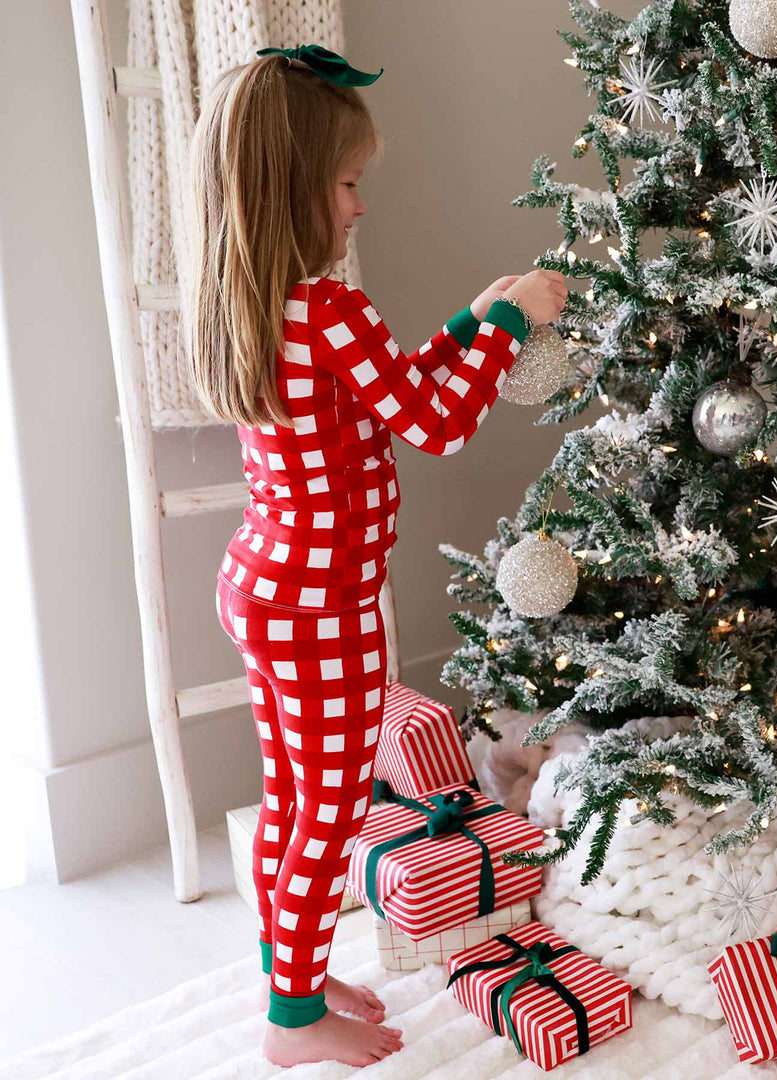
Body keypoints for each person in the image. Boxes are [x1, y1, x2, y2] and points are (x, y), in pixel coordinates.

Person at [179, 44, 567, 1068]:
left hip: (262, 585)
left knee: (291, 799)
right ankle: (292, 1024)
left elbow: (391, 390)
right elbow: (436, 423)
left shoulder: (266, 307)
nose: (360, 206)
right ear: (296, 189)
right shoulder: (329, 309)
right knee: (333, 812)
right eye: (347, 184)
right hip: (324, 606)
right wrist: (512, 323)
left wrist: (473, 319)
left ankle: (291, 979)